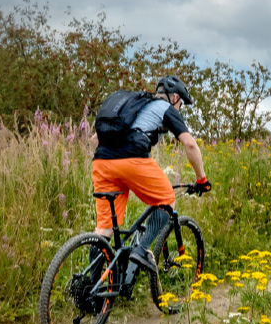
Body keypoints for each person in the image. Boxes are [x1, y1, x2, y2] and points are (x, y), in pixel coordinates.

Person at [90, 75, 211, 293]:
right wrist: (201, 179)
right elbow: (190, 145)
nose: (180, 107)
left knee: (104, 230)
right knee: (166, 200)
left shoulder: (132, 106)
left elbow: (93, 140)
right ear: (174, 97)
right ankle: (142, 250)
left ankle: (93, 291)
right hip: (132, 160)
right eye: (181, 102)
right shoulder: (164, 107)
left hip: (101, 164)